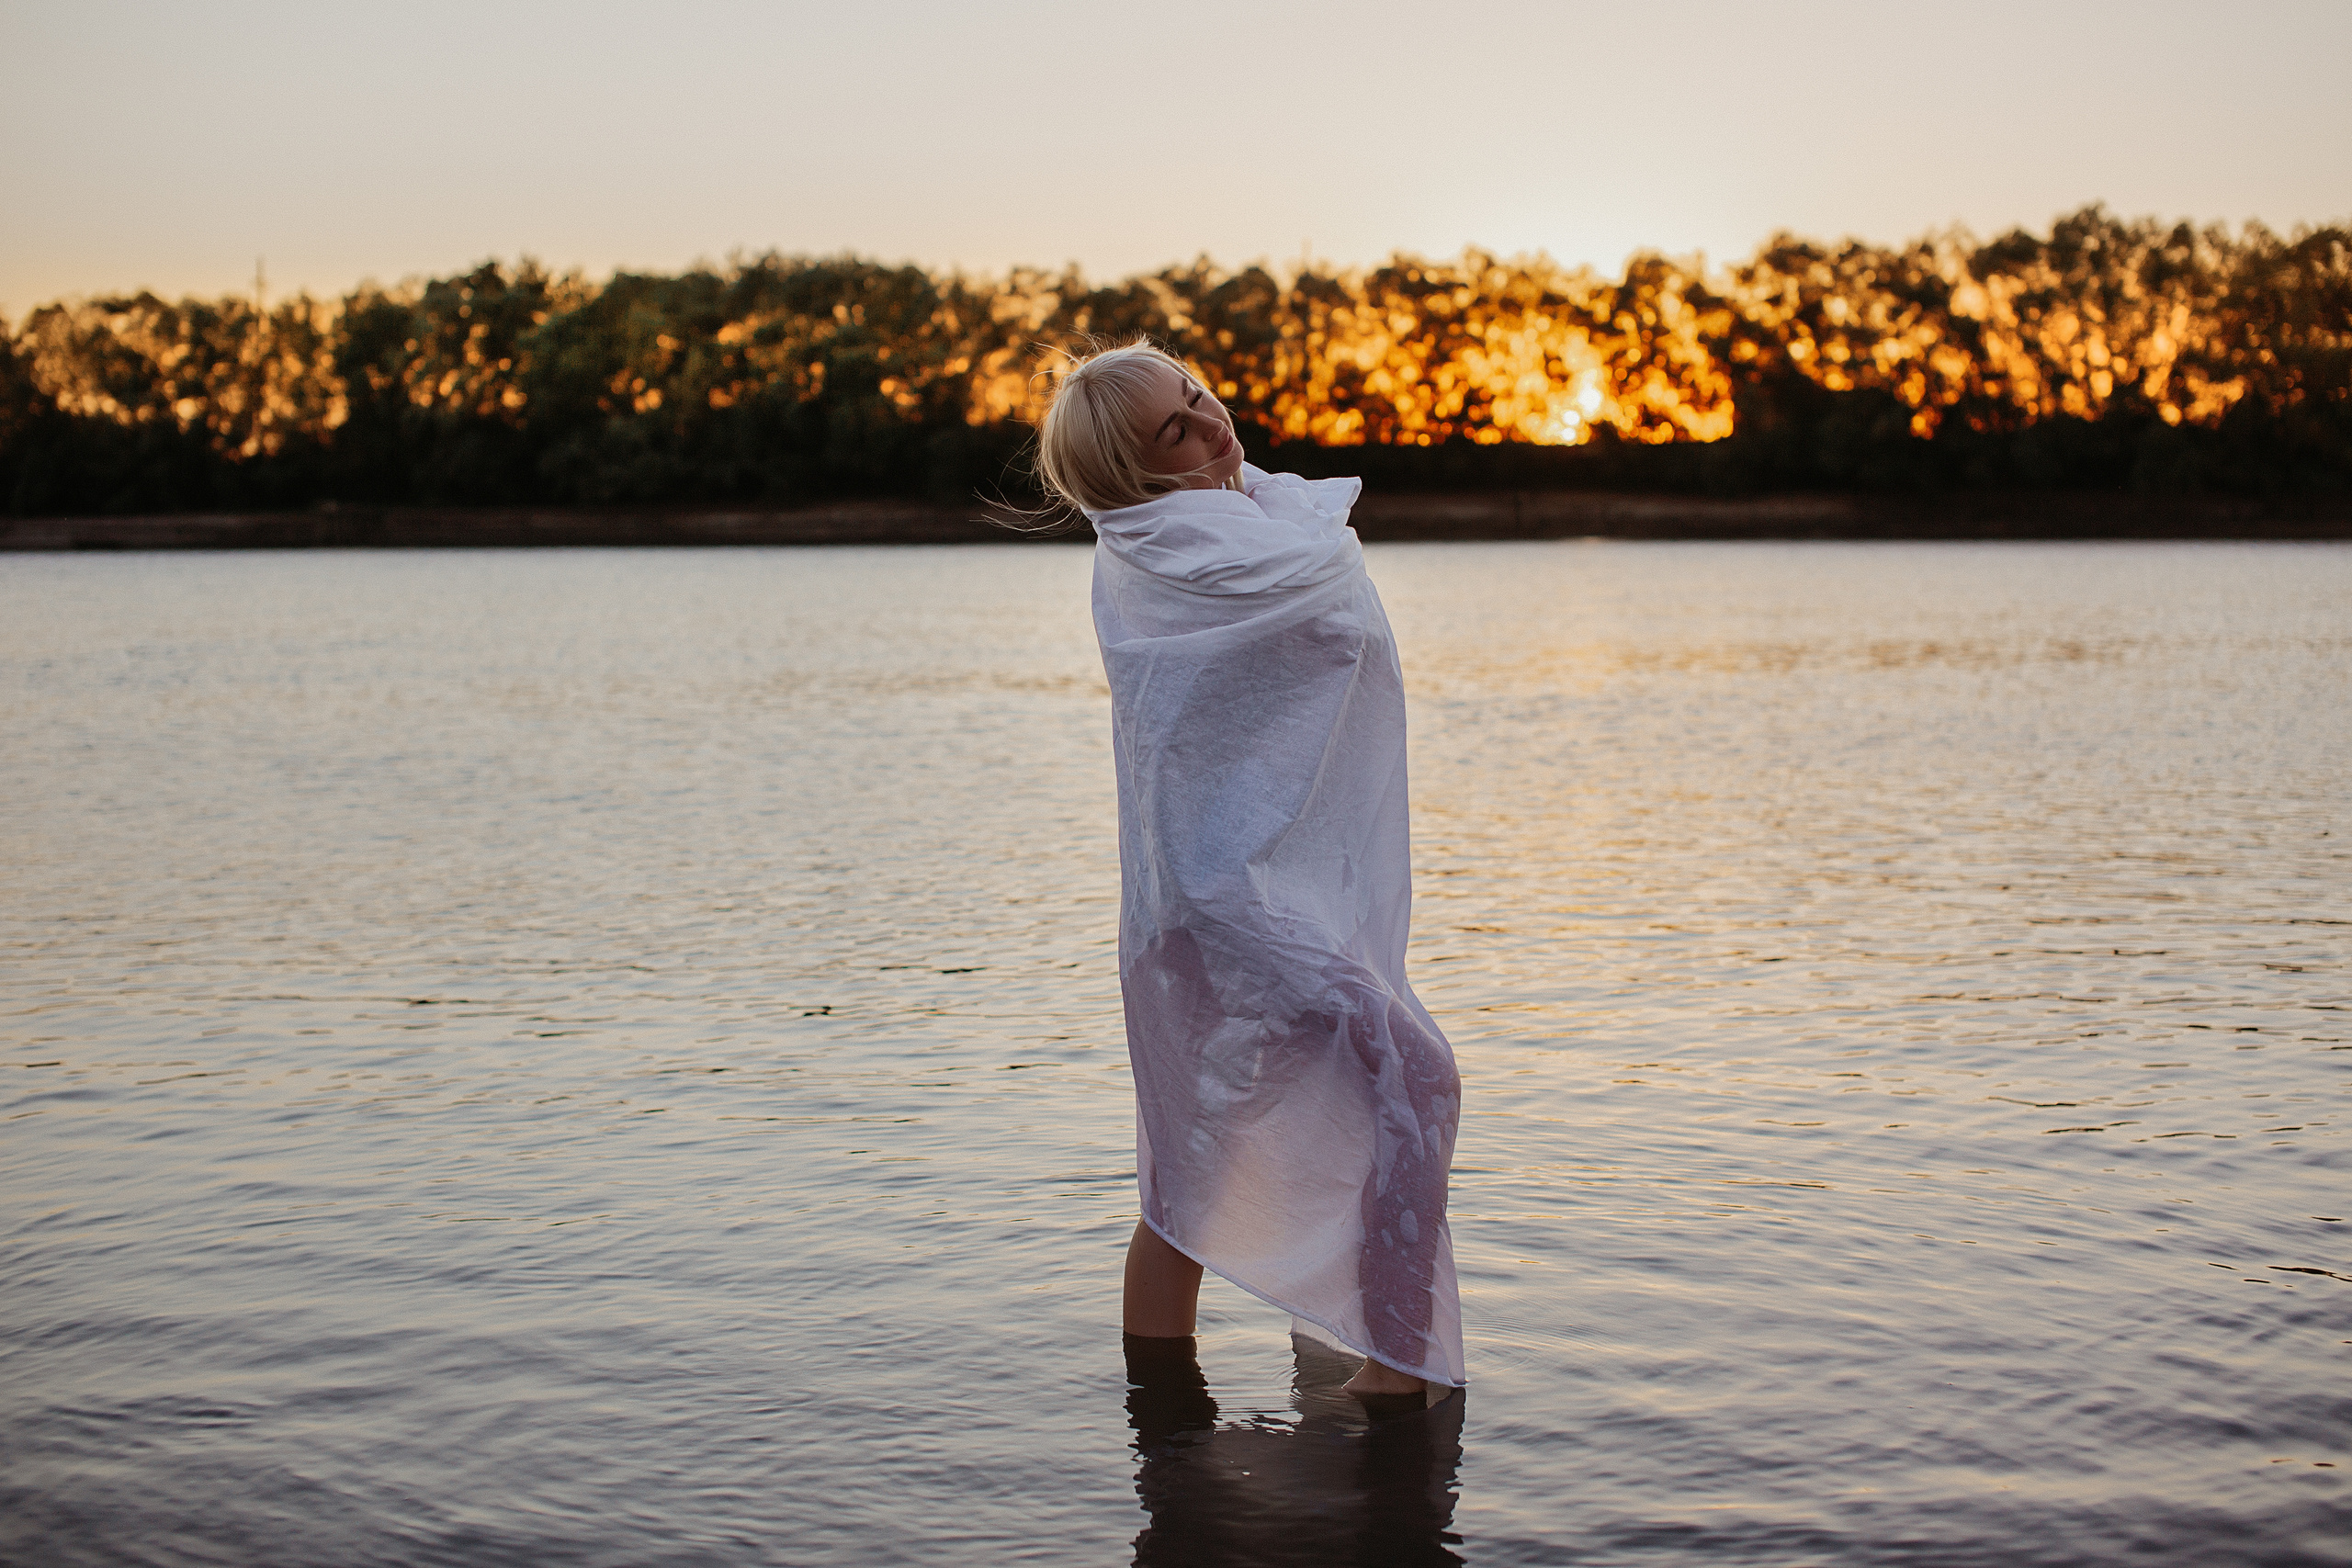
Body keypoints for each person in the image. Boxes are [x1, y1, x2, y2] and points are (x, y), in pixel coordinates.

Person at [1034, 341, 1466, 1404]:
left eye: (1197, 398)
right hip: (1222, 898)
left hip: (1248, 890)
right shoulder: (1182, 558)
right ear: (1131, 478)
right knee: (1412, 1079)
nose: (1209, 423)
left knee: (1198, 1153)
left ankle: (1164, 1406)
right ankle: (1389, 1376)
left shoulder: (1265, 527)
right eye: (1171, 432)